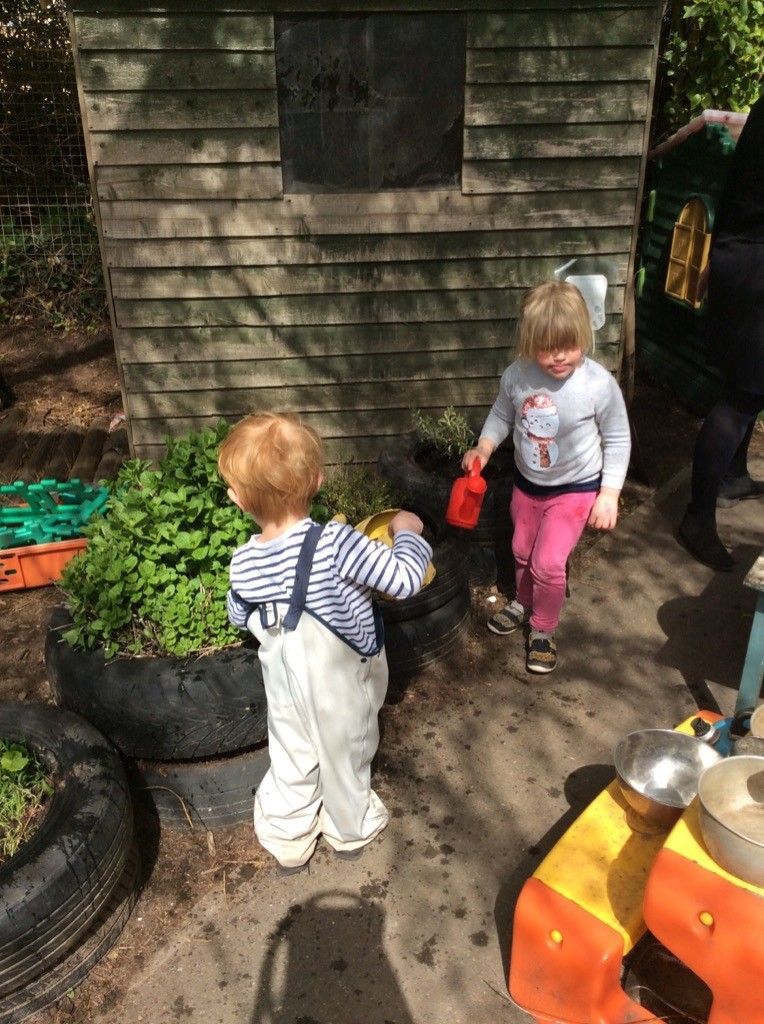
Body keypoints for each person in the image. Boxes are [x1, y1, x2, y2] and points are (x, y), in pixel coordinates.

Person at [218, 412, 432, 874]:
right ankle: (348, 829)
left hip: (283, 680)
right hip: (339, 680)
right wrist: (407, 535)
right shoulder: (337, 544)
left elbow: (238, 614)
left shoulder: (243, 563)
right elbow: (402, 580)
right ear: (316, 479)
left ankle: (288, 836)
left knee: (292, 752)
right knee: (344, 751)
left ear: (239, 501)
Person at [462, 280, 631, 674]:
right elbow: (503, 414)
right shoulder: (518, 376)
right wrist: (484, 447)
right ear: (529, 342)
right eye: (545, 348)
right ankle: (525, 600)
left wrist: (609, 494)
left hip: (575, 490)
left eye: (567, 346)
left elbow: (618, 438)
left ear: (584, 337)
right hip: (527, 484)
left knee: (549, 562)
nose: (556, 357)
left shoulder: (597, 385)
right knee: (521, 550)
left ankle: (543, 629)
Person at [677, 93, 764, 571]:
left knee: (751, 386)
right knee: (742, 394)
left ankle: (732, 474)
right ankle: (697, 517)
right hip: (753, 263)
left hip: (742, 256)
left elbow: (739, 190)